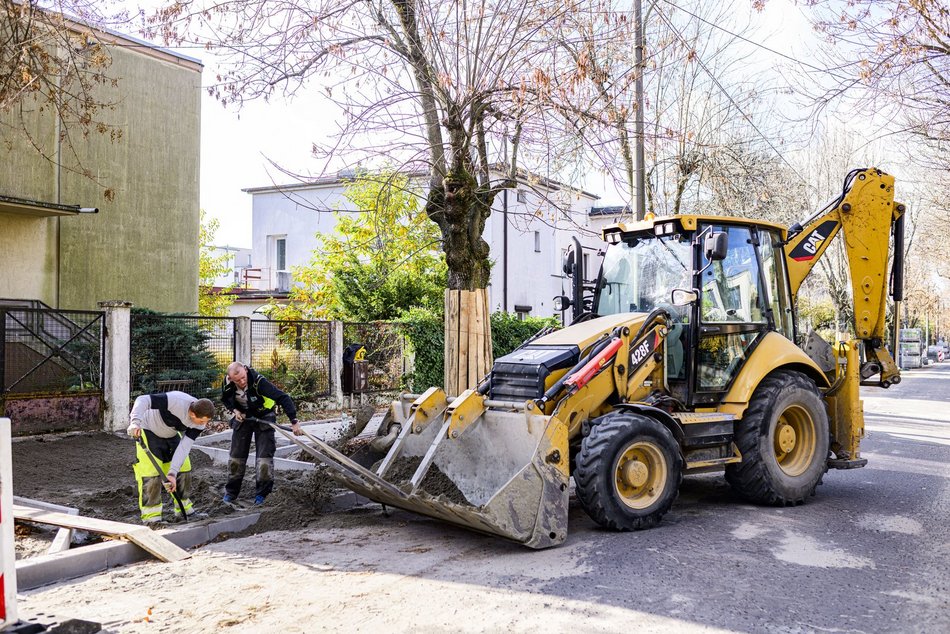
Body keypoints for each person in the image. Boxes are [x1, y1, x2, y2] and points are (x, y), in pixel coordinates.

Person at [221, 362, 302, 505]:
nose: (241, 381)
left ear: (245, 370)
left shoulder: (259, 382)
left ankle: (262, 494)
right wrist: (236, 411)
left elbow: (283, 397)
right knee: (236, 456)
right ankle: (231, 493)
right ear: (230, 378)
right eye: (237, 380)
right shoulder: (227, 383)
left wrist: (294, 422)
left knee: (264, 457)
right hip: (244, 417)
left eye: (243, 378)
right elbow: (225, 399)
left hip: (264, 416)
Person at [127, 392, 215, 524]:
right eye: (202, 421)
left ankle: (183, 510)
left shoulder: (199, 423)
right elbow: (143, 399)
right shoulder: (175, 401)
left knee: (184, 469)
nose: (204, 424)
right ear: (192, 414)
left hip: (171, 434)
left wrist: (173, 473)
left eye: (206, 421)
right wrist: (135, 422)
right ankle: (152, 519)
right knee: (151, 475)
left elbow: (184, 447)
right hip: (148, 429)